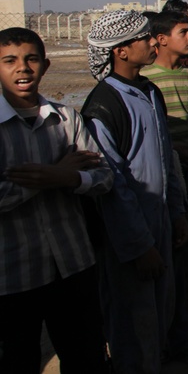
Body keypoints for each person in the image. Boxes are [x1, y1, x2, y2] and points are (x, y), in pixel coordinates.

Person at [0, 27, 113, 374]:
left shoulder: (67, 119)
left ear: (45, 66)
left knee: (85, 356)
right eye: (10, 61)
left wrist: (67, 178)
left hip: (73, 263)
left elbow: (104, 176)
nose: (23, 68)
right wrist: (54, 176)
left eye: (31, 59)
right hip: (12, 275)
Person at [82, 10, 188, 373]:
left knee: (159, 315)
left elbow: (164, 158)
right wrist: (139, 246)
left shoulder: (149, 91)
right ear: (121, 51)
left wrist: (176, 213)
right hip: (129, 238)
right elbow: (113, 186)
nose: (151, 42)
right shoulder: (103, 106)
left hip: (159, 224)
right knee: (132, 326)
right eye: (143, 38)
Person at [142, 11, 188, 367]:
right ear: (160, 39)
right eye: (184, 32)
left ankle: (182, 323)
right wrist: (173, 149)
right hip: (165, 179)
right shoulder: (144, 80)